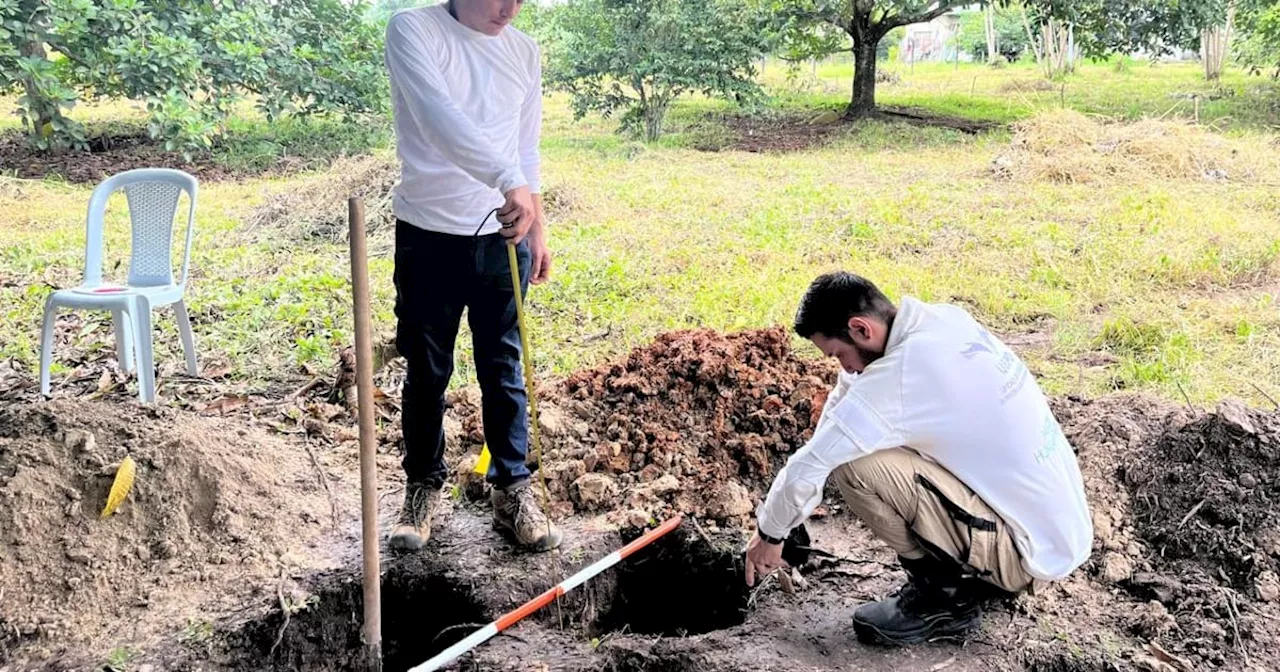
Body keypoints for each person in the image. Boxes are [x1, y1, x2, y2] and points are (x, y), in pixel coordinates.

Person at [745, 272, 1092, 646]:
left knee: (856, 466)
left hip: (1026, 555)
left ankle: (945, 597)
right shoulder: (939, 322)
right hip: (1051, 529)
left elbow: (817, 462)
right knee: (866, 442)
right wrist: (784, 519)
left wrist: (769, 535)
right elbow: (843, 407)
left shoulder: (903, 375)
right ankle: (962, 576)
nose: (843, 367)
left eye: (838, 355)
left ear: (861, 329)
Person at [381, 0, 561, 553]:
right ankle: (423, 486)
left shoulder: (523, 52)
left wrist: (537, 226)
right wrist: (506, 178)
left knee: (502, 362)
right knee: (427, 366)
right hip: (429, 232)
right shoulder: (414, 30)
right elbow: (440, 121)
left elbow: (524, 146)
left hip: (502, 234)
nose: (510, 9)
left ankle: (512, 486)